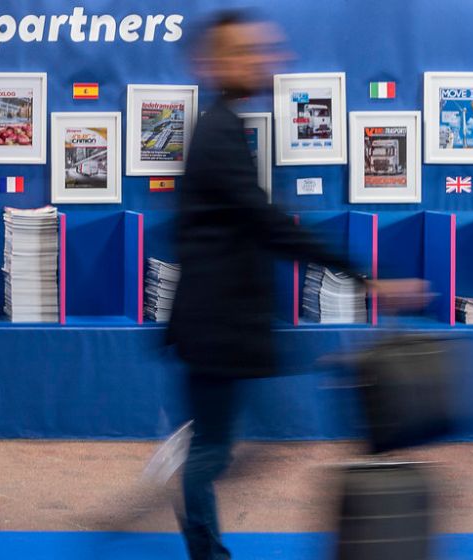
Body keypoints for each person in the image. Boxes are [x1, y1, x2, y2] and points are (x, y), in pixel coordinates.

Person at [169, 12, 426, 560]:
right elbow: (267, 226)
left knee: (222, 446)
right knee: (213, 453)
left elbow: (242, 228)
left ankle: (194, 505)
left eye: (263, 52)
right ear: (215, 63)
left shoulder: (222, 128)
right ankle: (201, 541)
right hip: (216, 330)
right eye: (247, 53)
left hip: (220, 327)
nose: (262, 61)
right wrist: (366, 277)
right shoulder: (218, 134)